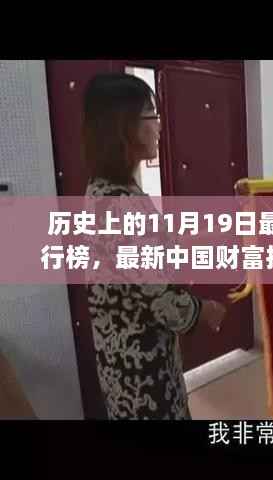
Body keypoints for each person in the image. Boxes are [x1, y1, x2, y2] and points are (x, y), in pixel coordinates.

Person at [83, 73, 226, 420]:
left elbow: (157, 249)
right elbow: (164, 302)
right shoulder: (120, 206)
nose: (159, 126)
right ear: (124, 126)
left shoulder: (106, 190)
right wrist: (206, 310)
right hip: (141, 376)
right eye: (152, 115)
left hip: (125, 361)